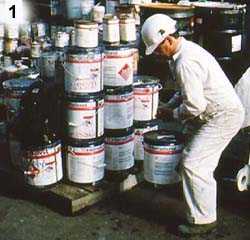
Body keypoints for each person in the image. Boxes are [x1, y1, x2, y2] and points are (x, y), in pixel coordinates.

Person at [141, 14, 245, 236]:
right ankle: (195, 196)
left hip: (222, 116)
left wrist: (173, 114)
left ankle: (203, 219)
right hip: (213, 112)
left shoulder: (185, 62)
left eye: (158, 49)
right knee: (191, 153)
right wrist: (168, 105)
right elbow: (185, 91)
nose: (157, 55)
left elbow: (195, 106)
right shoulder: (183, 53)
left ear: (168, 40)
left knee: (194, 163)